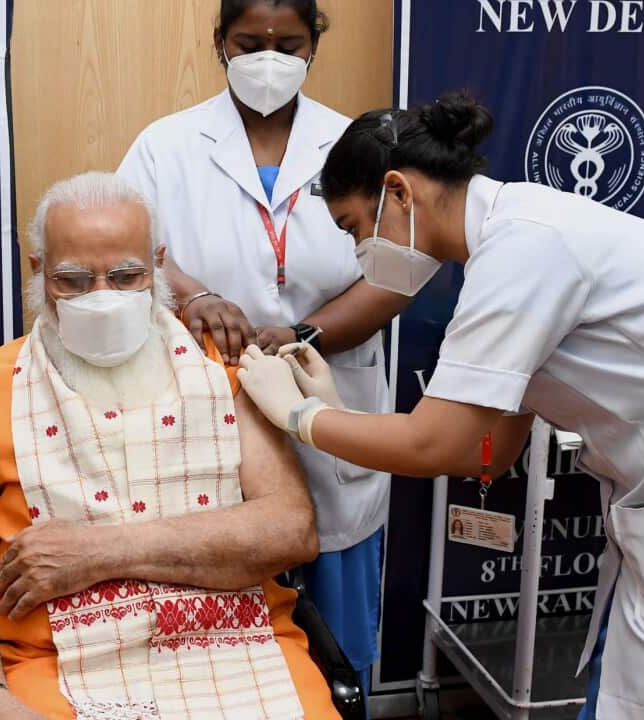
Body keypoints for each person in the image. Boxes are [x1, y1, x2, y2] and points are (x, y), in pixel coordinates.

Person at [236, 91, 644, 720]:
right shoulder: (517, 240)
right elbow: (489, 451)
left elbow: (438, 445)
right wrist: (341, 411)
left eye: (354, 228)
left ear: (398, 193)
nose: (360, 253)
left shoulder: (524, 251)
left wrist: (302, 418)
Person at [0, 172, 340, 720]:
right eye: (74, 281)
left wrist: (95, 553)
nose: (102, 299)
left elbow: (289, 531)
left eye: (127, 276)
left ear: (157, 265)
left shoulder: (219, 365)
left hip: (240, 645)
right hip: (54, 669)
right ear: (39, 272)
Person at [117, 0, 407, 695]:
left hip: (330, 395)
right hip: (210, 408)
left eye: (289, 43)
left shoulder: (355, 145)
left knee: (338, 647)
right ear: (219, 42)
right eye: (249, 43)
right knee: (223, 639)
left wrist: (308, 333)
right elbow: (129, 253)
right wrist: (193, 296)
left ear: (314, 47)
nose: (268, 59)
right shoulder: (166, 146)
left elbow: (398, 273)